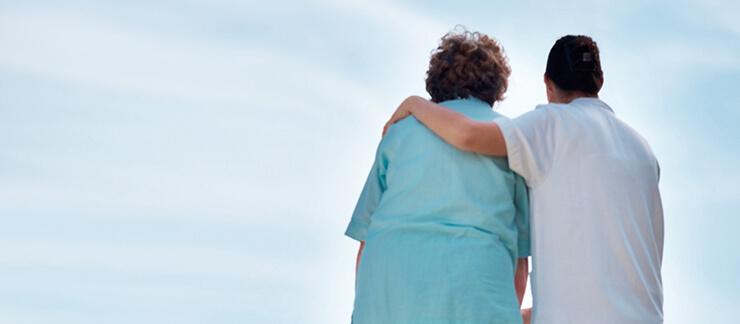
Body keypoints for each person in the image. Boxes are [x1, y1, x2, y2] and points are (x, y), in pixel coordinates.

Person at [384, 35, 664, 324]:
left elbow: (467, 135)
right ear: (600, 81)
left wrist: (414, 104)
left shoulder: (553, 124)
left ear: (548, 84)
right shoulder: (643, 150)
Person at [345, 29, 531, 323]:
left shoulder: (398, 132)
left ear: (436, 82)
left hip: (385, 298)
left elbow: (366, 241)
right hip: (475, 296)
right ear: (497, 86)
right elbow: (520, 262)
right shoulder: (507, 138)